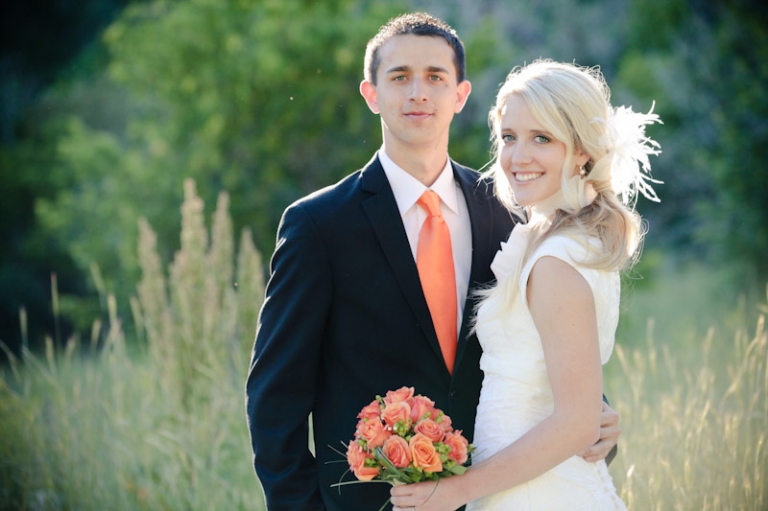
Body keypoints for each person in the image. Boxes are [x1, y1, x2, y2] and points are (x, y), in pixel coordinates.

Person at [246, 14, 620, 510]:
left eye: (436, 77)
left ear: (460, 95)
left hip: (497, 494)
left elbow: (543, 343)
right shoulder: (318, 226)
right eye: (400, 77)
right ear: (371, 94)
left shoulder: (509, 212)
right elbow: (275, 401)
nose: (418, 93)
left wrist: (596, 418)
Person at [390, 60, 662, 510]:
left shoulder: (557, 258)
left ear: (582, 151)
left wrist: (458, 490)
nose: (518, 157)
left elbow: (576, 422)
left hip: (540, 493)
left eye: (542, 138)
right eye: (509, 137)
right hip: (520, 484)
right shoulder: (558, 238)